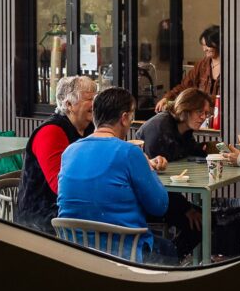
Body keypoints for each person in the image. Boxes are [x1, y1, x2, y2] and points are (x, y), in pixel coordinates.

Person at [56, 87, 175, 264]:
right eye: (132, 116)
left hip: (74, 250)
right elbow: (160, 205)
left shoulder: (69, 151)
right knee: (168, 248)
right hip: (123, 252)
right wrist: (147, 166)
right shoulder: (129, 152)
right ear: (124, 118)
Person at [135, 88, 212, 257]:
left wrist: (209, 151)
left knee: (205, 219)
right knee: (201, 221)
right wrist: (186, 209)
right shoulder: (161, 127)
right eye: (200, 112)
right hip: (146, 198)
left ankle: (171, 258)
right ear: (185, 109)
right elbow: (155, 180)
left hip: (164, 193)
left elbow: (189, 149)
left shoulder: (183, 128)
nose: (203, 117)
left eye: (206, 113)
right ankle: (168, 260)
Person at [16, 76, 96, 234]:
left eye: (96, 98)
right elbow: (60, 186)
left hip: (71, 208)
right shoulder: (51, 132)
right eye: (89, 99)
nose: (95, 104)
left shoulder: (90, 128)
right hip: (41, 220)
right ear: (69, 105)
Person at [154, 24, 221, 113]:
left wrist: (204, 98)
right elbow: (184, 86)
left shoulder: (231, 67)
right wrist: (167, 98)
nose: (204, 49)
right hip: (202, 115)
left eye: (207, 45)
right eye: (203, 45)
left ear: (219, 44)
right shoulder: (202, 65)